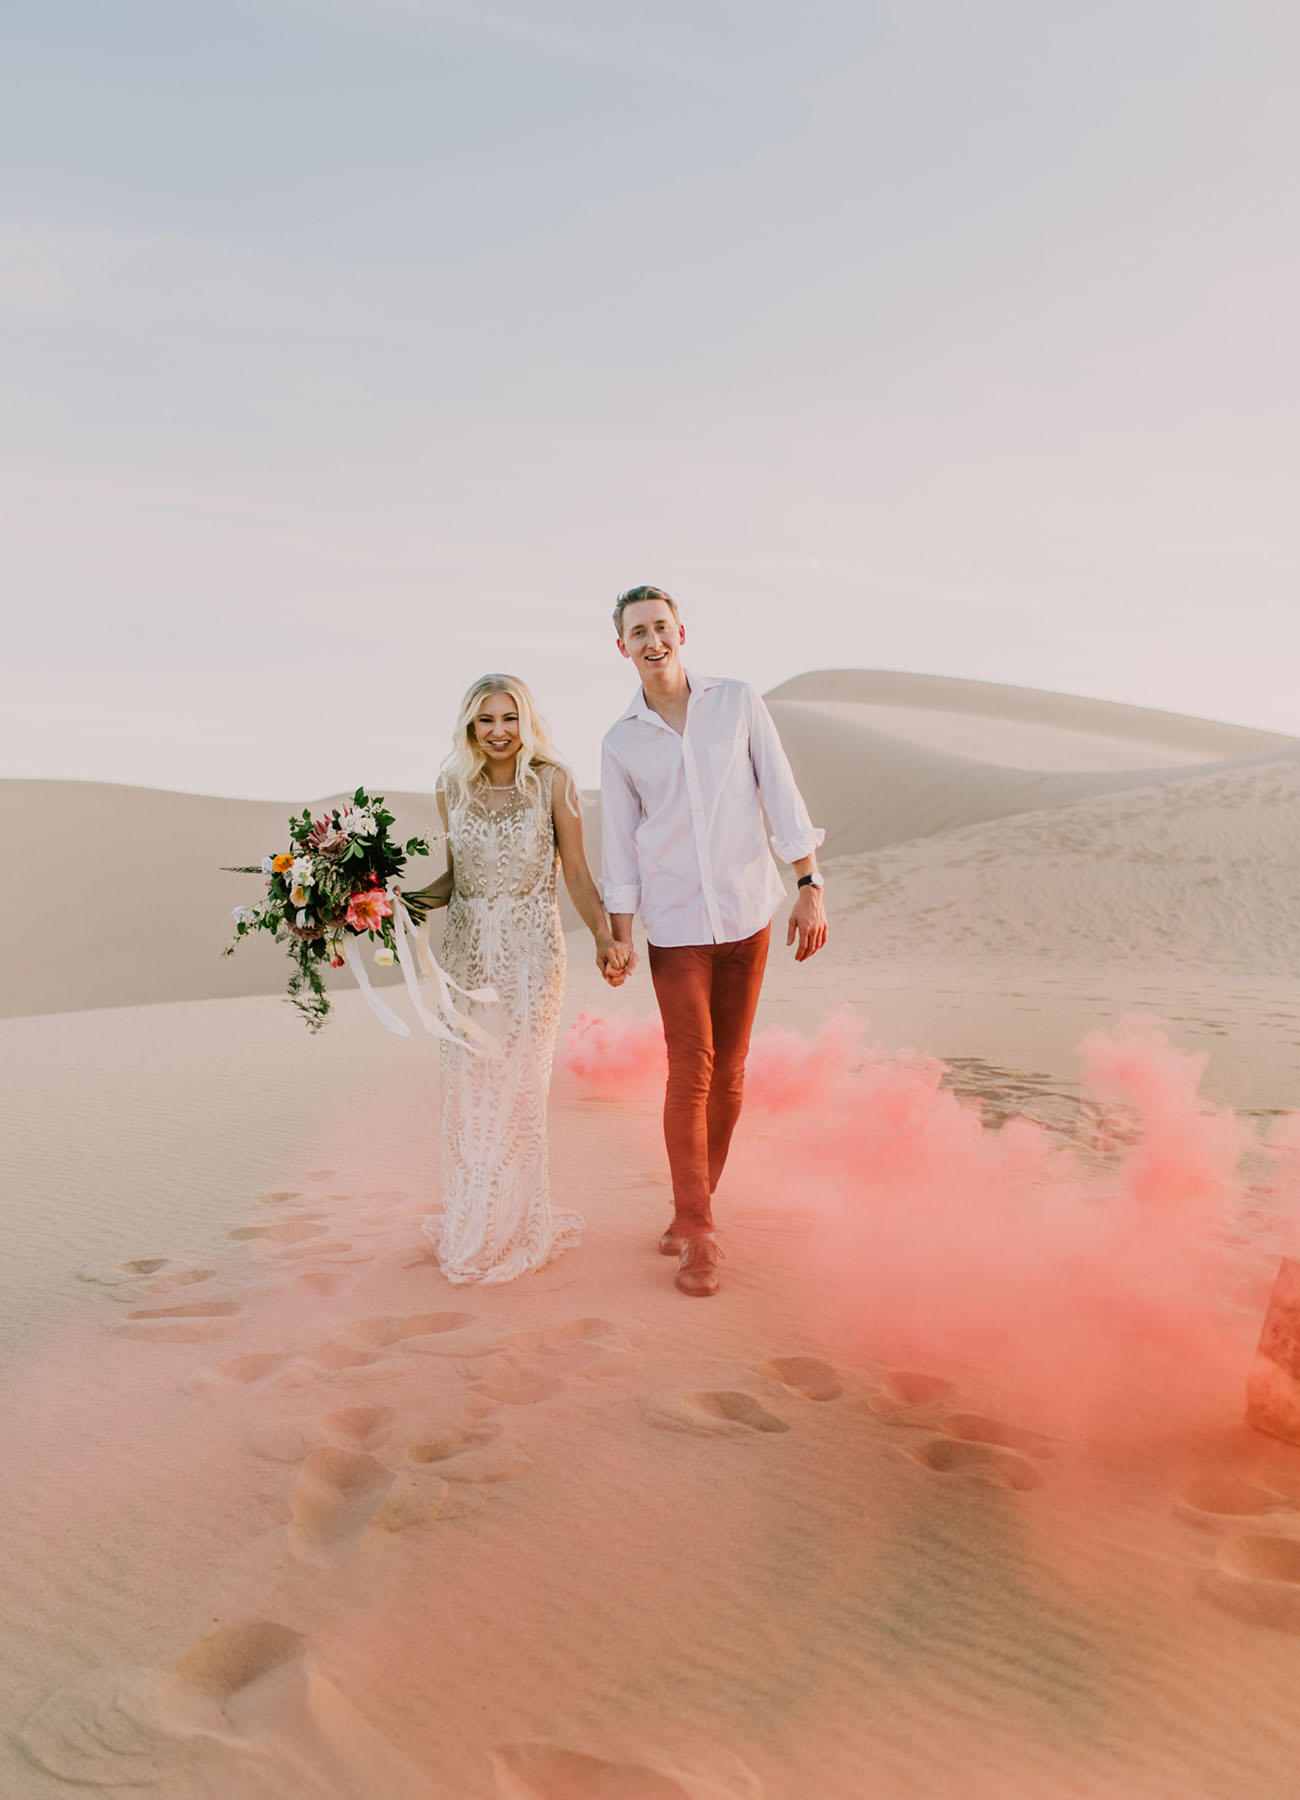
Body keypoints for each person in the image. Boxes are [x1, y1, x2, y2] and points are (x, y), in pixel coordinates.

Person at [600, 586, 827, 1298]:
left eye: (661, 627)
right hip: (674, 928)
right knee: (689, 1070)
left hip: (747, 911)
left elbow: (780, 789)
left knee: (731, 1073)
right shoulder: (621, 741)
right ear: (622, 647)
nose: (653, 640)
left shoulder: (737, 701)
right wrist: (620, 936)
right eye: (639, 632)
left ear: (681, 631)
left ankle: (690, 1211)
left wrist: (809, 884)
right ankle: (699, 1234)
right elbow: (619, 848)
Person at [404, 674, 629, 1283]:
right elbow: (455, 878)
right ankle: (473, 1221)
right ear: (470, 728)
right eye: (486, 721)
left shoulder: (553, 783)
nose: (499, 732)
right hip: (467, 956)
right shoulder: (451, 788)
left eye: (509, 718)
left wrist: (605, 937)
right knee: (469, 1094)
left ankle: (514, 1224)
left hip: (532, 954)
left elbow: (578, 874)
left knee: (518, 1090)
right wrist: (394, 901)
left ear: (526, 722)